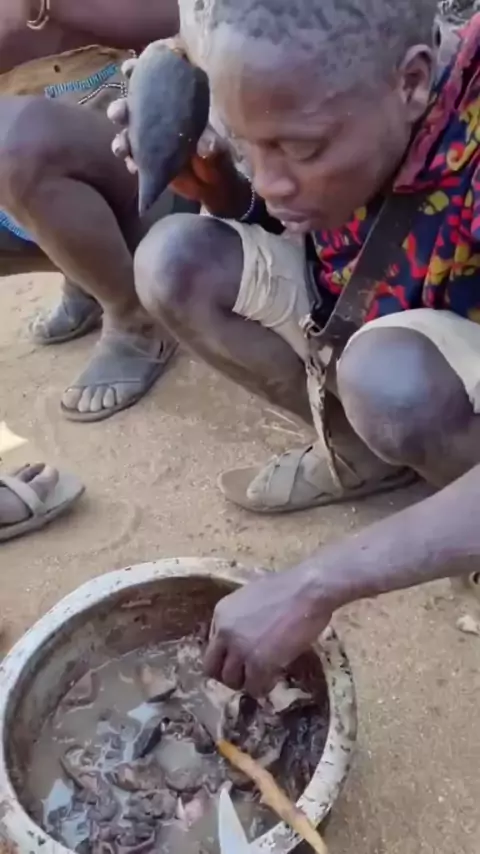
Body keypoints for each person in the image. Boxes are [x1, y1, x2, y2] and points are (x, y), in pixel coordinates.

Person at [110, 0, 480, 692]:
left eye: (302, 149)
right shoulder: (327, 96)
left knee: (390, 381)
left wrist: (317, 583)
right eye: (252, 145)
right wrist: (213, 181)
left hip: (427, 352)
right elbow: (283, 219)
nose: (272, 181)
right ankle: (361, 454)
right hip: (361, 301)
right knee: (173, 262)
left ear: (411, 81)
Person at [0, 0, 193, 422]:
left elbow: (189, 19)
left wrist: (42, 8)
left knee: (11, 141)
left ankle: (136, 322)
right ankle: (87, 276)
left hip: (147, 169)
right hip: (42, 179)